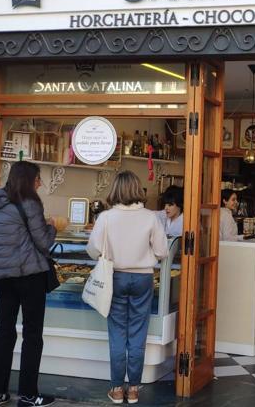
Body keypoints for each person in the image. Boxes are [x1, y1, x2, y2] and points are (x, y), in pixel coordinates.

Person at [87, 171, 168, 405]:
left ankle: (116, 388)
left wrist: (107, 253)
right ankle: (133, 388)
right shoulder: (150, 217)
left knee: (117, 333)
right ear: (137, 189)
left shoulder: (106, 217)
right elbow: (162, 251)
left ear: (115, 189)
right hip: (143, 278)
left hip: (115, 277)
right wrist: (145, 256)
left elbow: (92, 249)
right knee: (137, 333)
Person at [0, 161, 57, 407]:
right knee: (32, 334)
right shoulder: (30, 203)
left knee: (4, 331)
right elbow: (43, 242)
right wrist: (55, 227)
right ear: (28, 180)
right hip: (29, 276)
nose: (40, 183)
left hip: (3, 279)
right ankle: (27, 395)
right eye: (38, 178)